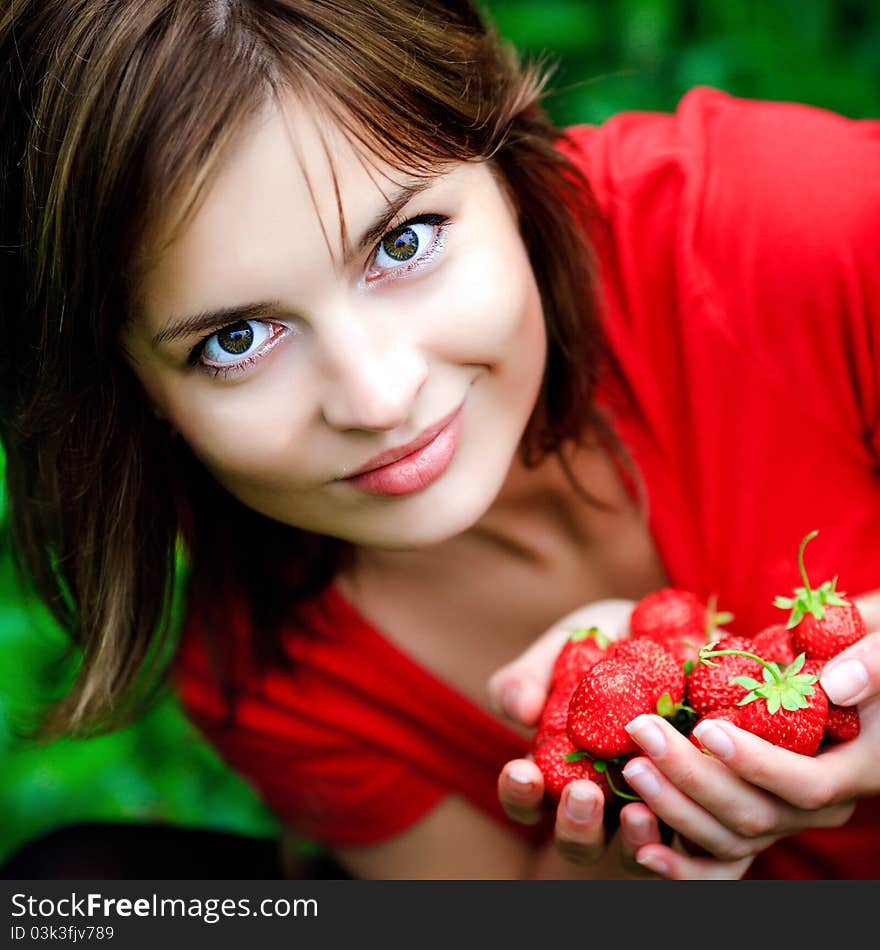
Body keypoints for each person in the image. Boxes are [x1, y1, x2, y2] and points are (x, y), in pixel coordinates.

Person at [1, 0, 879, 881]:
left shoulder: (799, 232)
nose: (379, 398)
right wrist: (633, 833)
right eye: (235, 340)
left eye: (405, 242)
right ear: (127, 383)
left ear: (506, 154)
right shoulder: (279, 673)